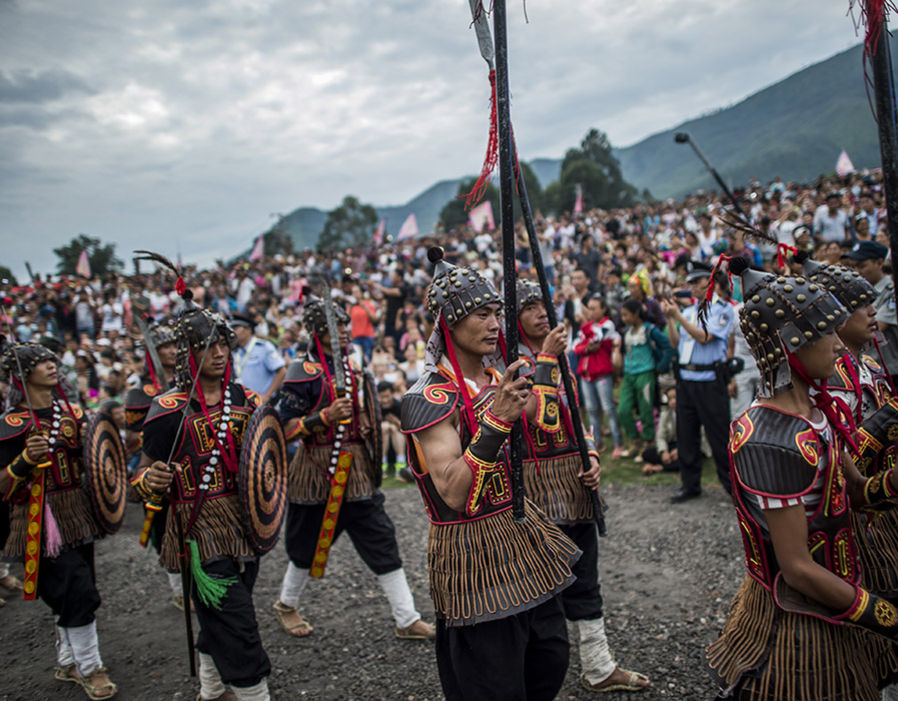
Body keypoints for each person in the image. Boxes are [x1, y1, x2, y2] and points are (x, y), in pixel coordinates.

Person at [707, 257, 897, 700]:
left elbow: (857, 493)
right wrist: (885, 615)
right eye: (825, 332)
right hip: (798, 619)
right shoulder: (769, 439)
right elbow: (796, 569)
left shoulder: (818, 411)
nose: (837, 344)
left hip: (840, 591)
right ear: (789, 345)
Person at [401, 250, 580, 701]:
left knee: (550, 656)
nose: (495, 324)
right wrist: (497, 420)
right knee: (493, 681)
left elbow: (549, 420)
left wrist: (545, 365)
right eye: (481, 314)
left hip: (522, 538)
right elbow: (456, 491)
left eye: (497, 313)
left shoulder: (497, 375)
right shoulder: (427, 398)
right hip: (471, 552)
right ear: (450, 323)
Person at [516, 280, 650, 694]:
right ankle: (536, 675)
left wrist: (591, 455)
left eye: (546, 304)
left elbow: (576, 418)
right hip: (535, 488)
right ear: (514, 317)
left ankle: (597, 665)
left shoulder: (560, 359)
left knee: (586, 578)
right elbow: (545, 417)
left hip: (573, 481)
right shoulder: (507, 364)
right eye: (531, 306)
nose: (543, 313)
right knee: (542, 586)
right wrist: (546, 359)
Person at [272, 298, 434, 642]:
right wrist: (323, 417)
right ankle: (286, 604)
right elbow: (283, 428)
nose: (346, 331)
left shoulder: (354, 371)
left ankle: (406, 618)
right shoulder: (302, 371)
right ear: (319, 332)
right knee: (305, 544)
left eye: (346, 324)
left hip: (357, 469)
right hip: (315, 471)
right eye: (337, 326)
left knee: (382, 538)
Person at [134, 306, 272, 701]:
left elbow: (269, 454)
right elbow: (136, 482)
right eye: (207, 346)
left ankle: (211, 691)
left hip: (246, 524)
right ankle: (254, 693)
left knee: (222, 619)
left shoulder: (246, 399)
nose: (219, 353)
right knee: (239, 623)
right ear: (187, 353)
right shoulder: (168, 411)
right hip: (198, 532)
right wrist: (150, 480)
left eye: (224, 344)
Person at [0, 342, 117, 699]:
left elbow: (102, 453)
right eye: (40, 362)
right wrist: (22, 461)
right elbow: (2, 484)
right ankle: (90, 667)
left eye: (52, 360)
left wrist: (94, 440)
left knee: (74, 586)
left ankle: (68, 660)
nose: (51, 365)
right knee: (77, 590)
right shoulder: (9, 424)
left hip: (77, 512)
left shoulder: (75, 412)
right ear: (22, 375)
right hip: (38, 516)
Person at [123, 321, 188, 607]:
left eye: (176, 345)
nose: (173, 351)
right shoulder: (141, 392)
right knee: (162, 526)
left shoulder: (190, 382)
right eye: (166, 346)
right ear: (154, 351)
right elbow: (134, 435)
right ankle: (177, 588)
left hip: (189, 462)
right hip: (156, 462)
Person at [662, 261, 734, 502]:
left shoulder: (721, 308)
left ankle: (732, 487)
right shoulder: (690, 311)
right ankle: (690, 485)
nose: (692, 286)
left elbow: (704, 337)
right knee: (686, 436)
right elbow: (675, 343)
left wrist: (678, 317)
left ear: (709, 282)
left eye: (696, 282)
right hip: (687, 380)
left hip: (709, 381)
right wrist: (671, 319)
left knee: (719, 436)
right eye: (690, 282)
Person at [614, 298, 673, 461]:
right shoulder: (626, 331)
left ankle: (647, 444)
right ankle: (635, 441)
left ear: (636, 314)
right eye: (622, 316)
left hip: (646, 373)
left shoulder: (650, 330)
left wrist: (661, 366)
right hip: (629, 374)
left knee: (646, 409)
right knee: (623, 409)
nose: (624, 319)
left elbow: (668, 346)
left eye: (626, 315)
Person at [572, 294, 624, 457]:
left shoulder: (607, 325)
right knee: (592, 410)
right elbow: (576, 346)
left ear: (603, 309)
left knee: (608, 408)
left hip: (601, 374)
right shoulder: (588, 326)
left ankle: (618, 443)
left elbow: (596, 338)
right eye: (590, 308)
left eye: (594, 308)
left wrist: (585, 341)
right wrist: (586, 347)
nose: (591, 311)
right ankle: (596, 443)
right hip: (587, 375)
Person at [844, 240, 898, 387]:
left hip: (891, 369)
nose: (857, 271)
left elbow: (878, 325)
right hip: (870, 369)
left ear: (879, 263)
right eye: (854, 266)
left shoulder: (891, 292)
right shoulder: (860, 293)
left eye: (862, 266)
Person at [230, 313, 286, 404]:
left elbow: (282, 371)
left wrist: (267, 395)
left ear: (248, 330)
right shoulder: (236, 352)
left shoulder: (263, 347)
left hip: (262, 403)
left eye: (236, 328)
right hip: (244, 403)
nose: (233, 332)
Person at [378, 380, 409, 480]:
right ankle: (382, 465)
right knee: (385, 427)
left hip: (399, 442)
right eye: (382, 397)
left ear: (393, 394)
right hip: (382, 441)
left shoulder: (399, 406)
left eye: (387, 396)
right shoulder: (376, 408)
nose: (385, 400)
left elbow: (407, 428)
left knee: (394, 429)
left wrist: (395, 421)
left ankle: (400, 465)